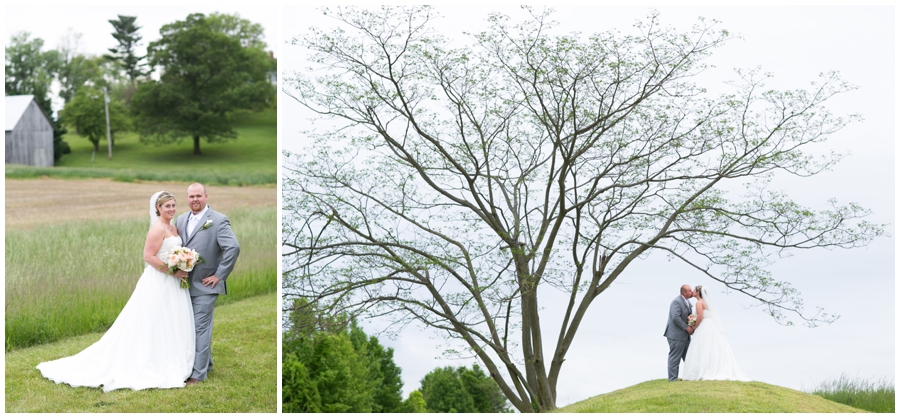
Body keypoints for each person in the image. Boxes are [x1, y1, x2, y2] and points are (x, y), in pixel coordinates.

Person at [36, 191, 196, 391]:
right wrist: (172, 271)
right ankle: (151, 360)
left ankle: (173, 356)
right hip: (160, 281)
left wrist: (183, 261)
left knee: (170, 320)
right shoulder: (157, 229)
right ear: (158, 208)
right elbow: (148, 256)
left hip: (173, 283)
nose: (171, 209)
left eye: (173, 205)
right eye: (167, 206)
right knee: (154, 320)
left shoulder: (172, 226)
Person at [176, 183, 240, 385]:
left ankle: (197, 374)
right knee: (191, 327)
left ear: (206, 196)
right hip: (184, 286)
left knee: (200, 328)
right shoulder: (181, 219)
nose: (195, 199)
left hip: (206, 285)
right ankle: (207, 363)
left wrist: (219, 276)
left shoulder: (218, 220)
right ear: (187, 198)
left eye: (198, 196)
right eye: (191, 196)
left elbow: (233, 248)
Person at [682, 285, 749, 381]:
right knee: (712, 346)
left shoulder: (699, 303)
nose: (692, 291)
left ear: (698, 292)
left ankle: (705, 370)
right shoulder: (707, 302)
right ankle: (712, 367)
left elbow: (700, 318)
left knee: (703, 347)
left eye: (694, 290)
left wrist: (693, 327)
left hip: (704, 325)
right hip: (711, 325)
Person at [663, 284, 695, 382]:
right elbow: (675, 317)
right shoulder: (676, 302)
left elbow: (686, 316)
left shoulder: (688, 302)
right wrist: (686, 327)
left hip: (685, 336)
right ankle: (672, 379)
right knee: (675, 357)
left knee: (689, 357)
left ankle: (691, 376)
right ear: (684, 292)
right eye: (689, 290)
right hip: (676, 335)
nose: (692, 292)